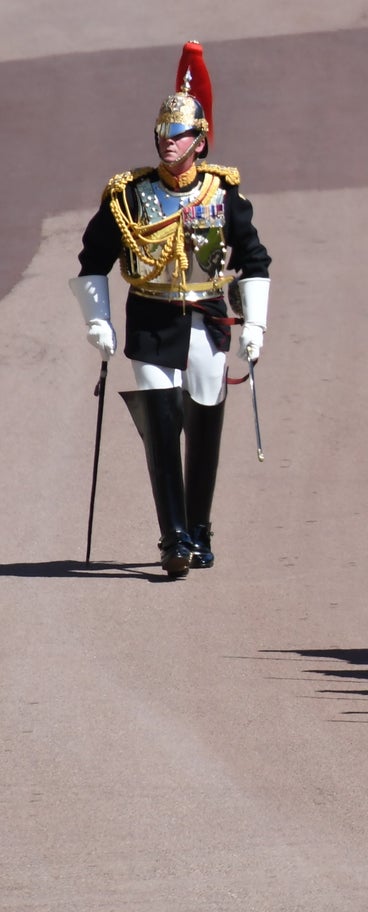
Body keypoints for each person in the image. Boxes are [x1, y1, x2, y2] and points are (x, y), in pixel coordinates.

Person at [71, 41, 270, 577]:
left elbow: (253, 261)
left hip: (205, 316)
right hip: (153, 316)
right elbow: (93, 260)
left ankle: (200, 527)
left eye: (178, 134)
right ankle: (173, 537)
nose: (167, 142)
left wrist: (256, 324)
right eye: (162, 133)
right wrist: (98, 318)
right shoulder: (130, 196)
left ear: (200, 141)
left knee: (204, 412)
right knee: (161, 419)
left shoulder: (224, 194)